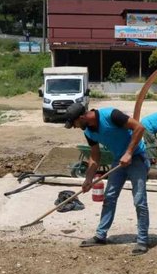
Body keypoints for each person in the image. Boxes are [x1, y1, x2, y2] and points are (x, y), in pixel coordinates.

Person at [64, 103, 150, 255]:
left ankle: (142, 240)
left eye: (75, 123)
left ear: (82, 117)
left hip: (137, 157)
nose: (75, 127)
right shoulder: (89, 132)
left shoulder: (110, 115)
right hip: (118, 160)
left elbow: (139, 127)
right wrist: (88, 179)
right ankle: (100, 236)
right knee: (109, 197)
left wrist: (129, 153)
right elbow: (95, 156)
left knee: (139, 200)